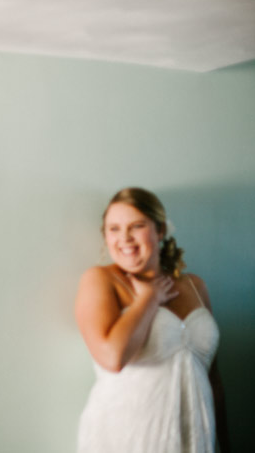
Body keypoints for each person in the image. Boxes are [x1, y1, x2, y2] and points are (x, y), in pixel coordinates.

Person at [75, 187, 229, 453]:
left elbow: (213, 376)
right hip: (128, 436)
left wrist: (225, 443)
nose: (125, 238)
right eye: (114, 229)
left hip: (197, 438)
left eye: (136, 226)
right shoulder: (100, 280)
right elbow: (113, 358)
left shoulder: (195, 286)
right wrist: (148, 300)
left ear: (160, 230)